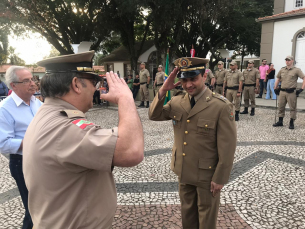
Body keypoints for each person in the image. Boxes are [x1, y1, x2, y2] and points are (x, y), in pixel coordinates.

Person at [23, 51, 144, 228]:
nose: (96, 88)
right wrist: (126, 99)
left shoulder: (48, 114)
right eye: (93, 82)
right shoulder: (64, 127)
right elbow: (132, 151)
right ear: (76, 84)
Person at [149, 57, 236, 229]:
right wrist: (163, 90)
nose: (188, 84)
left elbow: (228, 146)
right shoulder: (177, 101)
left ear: (204, 76)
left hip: (207, 174)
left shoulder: (221, 106)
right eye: (184, 80)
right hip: (184, 169)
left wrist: (220, 177)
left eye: (193, 79)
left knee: (206, 219)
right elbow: (154, 115)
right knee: (187, 215)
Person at [0, 66, 43, 229]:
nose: (32, 83)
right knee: (33, 210)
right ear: (13, 85)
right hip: (22, 162)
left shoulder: (36, 102)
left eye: (32, 79)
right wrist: (33, 139)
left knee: (42, 208)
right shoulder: (5, 109)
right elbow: (3, 144)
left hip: (41, 159)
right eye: (26, 81)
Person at [273, 55, 305, 129]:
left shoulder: (297, 70)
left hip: (291, 92)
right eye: (286, 60)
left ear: (292, 61)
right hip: (282, 91)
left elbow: (304, 78)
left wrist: (301, 89)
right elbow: (278, 79)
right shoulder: (282, 69)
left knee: (292, 108)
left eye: (289, 60)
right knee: (281, 106)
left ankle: (291, 122)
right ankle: (280, 121)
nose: (287, 61)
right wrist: (275, 88)